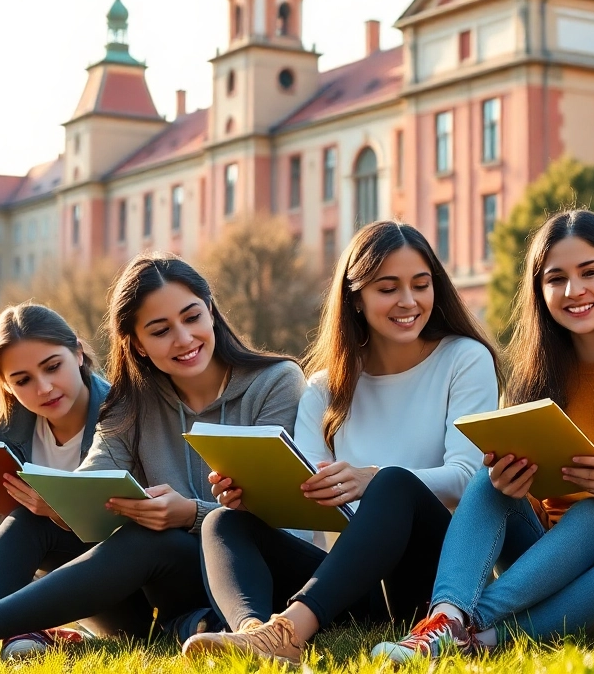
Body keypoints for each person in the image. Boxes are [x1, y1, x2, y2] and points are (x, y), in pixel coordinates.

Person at [0, 254, 305, 657]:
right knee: (34, 519)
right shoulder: (131, 401)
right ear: (139, 346)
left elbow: (283, 516)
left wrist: (190, 513)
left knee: (149, 539)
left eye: (192, 317)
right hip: (164, 581)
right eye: (160, 330)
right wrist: (63, 501)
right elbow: (94, 476)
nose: (183, 338)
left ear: (212, 312)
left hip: (252, 575)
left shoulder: (274, 383)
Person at [371, 209, 594, 661]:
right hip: (543, 561)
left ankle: (477, 631)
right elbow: (534, 509)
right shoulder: (535, 379)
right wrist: (517, 489)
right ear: (539, 291)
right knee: (487, 479)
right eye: (556, 279)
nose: (574, 291)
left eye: (590, 272)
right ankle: (447, 619)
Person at [181, 222, 500, 665]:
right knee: (222, 523)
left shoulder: (464, 358)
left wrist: (370, 479)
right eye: (388, 288)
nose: (408, 301)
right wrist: (257, 498)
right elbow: (310, 496)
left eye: (421, 285)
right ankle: (257, 633)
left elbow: (469, 480)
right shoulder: (325, 386)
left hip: (434, 577)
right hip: (356, 584)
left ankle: (291, 630)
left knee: (393, 483)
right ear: (355, 297)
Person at [0, 303, 148, 659]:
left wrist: (60, 507)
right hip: (28, 582)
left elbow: (152, 521)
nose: (44, 388)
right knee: (26, 512)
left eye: (53, 367)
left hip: (117, 588)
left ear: (78, 353)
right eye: (21, 380)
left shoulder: (122, 409)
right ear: (5, 384)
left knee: (33, 516)